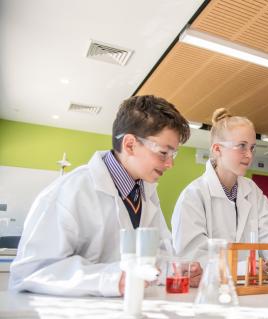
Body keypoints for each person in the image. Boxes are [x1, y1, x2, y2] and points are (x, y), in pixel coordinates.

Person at [9, 95, 202, 297]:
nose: (170, 164)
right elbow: (31, 271)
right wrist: (113, 279)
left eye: (173, 155)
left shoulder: (145, 193)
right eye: (164, 152)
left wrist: (175, 270)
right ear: (129, 145)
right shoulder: (70, 191)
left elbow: (153, 258)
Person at [172, 108, 268, 269]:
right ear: (217, 149)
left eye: (252, 147)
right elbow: (192, 258)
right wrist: (245, 268)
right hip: (209, 290)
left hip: (252, 289)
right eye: (242, 146)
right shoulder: (194, 195)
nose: (249, 155)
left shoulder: (252, 190)